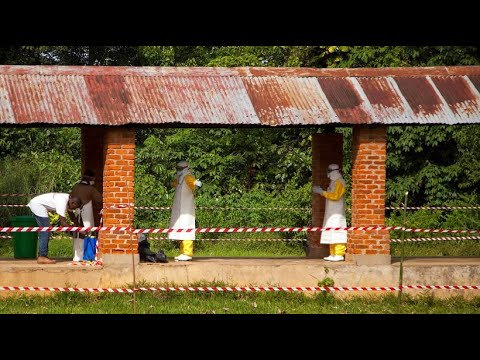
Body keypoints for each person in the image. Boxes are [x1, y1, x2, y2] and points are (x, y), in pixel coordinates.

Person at [27, 193, 82, 264]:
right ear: (72, 203)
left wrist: (78, 225)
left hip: (37, 204)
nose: (74, 209)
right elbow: (63, 222)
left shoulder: (68, 200)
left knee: (46, 230)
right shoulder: (63, 201)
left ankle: (43, 256)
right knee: (46, 231)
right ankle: (42, 256)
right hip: (37, 205)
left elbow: (71, 215)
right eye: (74, 207)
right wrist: (77, 230)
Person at [313, 163, 347, 262]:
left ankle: (339, 253)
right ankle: (333, 253)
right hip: (331, 212)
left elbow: (335, 196)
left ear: (334, 172)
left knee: (338, 232)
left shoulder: (340, 182)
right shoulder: (333, 182)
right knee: (331, 232)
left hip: (337, 213)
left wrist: (321, 192)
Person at [168, 160, 202, 261]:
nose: (178, 171)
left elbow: (193, 183)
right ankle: (183, 252)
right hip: (179, 209)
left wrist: (196, 183)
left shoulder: (188, 177)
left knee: (187, 228)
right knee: (181, 229)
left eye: (179, 169)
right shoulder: (180, 178)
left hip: (186, 209)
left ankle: (188, 253)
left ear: (185, 168)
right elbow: (173, 184)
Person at [70, 169, 103, 262]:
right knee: (90, 232)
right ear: (91, 179)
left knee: (77, 233)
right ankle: (88, 256)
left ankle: (77, 256)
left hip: (77, 213)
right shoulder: (91, 189)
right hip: (87, 213)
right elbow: (100, 200)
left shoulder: (76, 187)